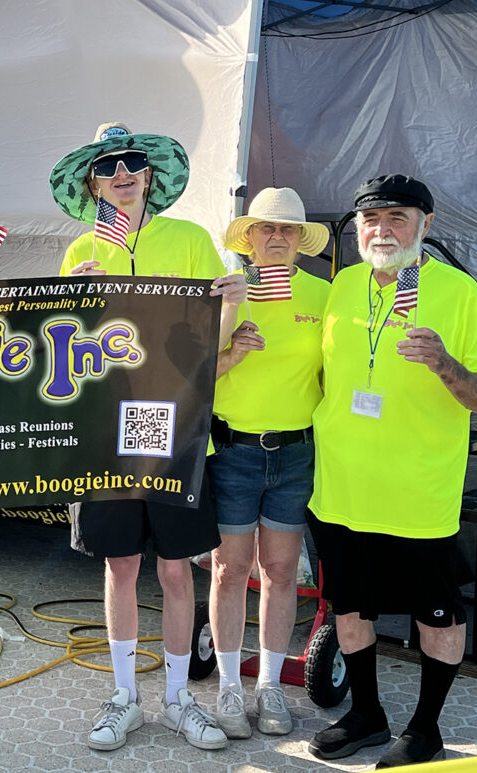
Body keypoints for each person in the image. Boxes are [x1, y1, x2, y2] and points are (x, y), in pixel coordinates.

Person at [48, 122, 247, 752]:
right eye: (108, 166)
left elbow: (211, 342)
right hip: (106, 436)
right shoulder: (81, 250)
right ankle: (125, 696)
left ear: (151, 175)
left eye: (134, 161)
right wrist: (66, 303)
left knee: (179, 570)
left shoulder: (189, 240)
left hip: (179, 432)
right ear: (93, 184)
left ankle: (180, 697)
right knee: (120, 565)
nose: (123, 173)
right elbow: (61, 356)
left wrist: (235, 302)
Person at [306, 175, 477, 768]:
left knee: (435, 614)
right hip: (341, 489)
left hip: (418, 494)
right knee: (348, 608)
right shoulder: (342, 286)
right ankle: (367, 714)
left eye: (398, 217)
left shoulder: (459, 293)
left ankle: (426, 728)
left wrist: (444, 363)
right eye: (371, 219)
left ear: (427, 223)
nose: (382, 229)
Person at [207, 187, 330, 739]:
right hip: (232, 450)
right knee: (229, 571)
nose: (276, 237)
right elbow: (188, 375)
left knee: (280, 572)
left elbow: (339, 372)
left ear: (301, 241)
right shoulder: (225, 291)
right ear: (248, 237)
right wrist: (231, 343)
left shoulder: (326, 295)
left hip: (296, 451)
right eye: (265, 228)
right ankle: (231, 685)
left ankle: (270, 685)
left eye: (286, 230)